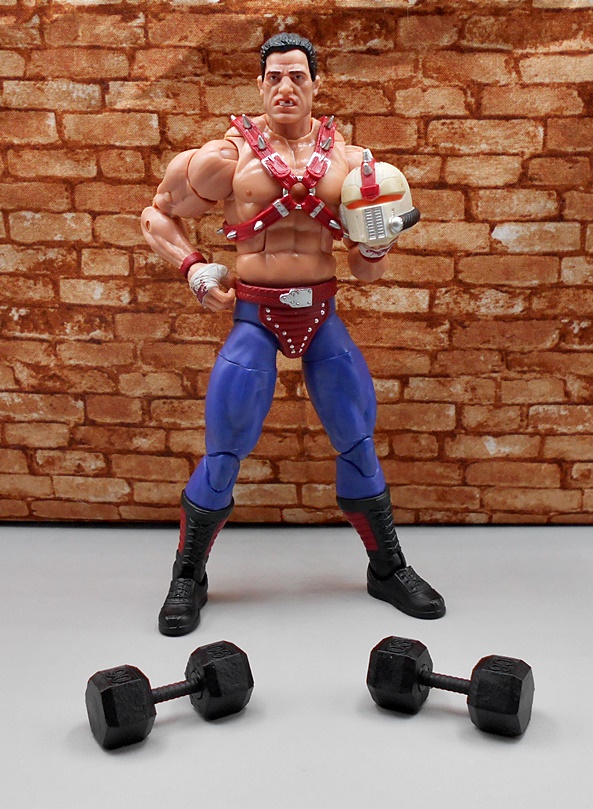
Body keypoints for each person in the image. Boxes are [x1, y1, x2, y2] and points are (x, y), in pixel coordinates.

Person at [141, 33, 446, 636]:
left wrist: (376, 247)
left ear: (315, 84)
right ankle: (188, 576)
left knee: (357, 438)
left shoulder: (352, 164)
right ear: (259, 85)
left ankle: (387, 568)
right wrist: (194, 268)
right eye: (275, 76)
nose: (286, 87)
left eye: (297, 76)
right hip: (256, 314)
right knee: (225, 448)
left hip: (321, 312)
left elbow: (365, 270)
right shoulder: (224, 158)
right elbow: (157, 214)